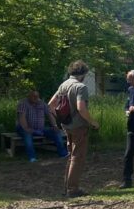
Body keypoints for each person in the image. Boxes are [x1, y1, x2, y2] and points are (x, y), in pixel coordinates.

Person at [49, 60, 98, 197]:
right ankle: (72, 189)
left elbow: (51, 105)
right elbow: (81, 108)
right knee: (78, 157)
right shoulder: (80, 87)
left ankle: (67, 187)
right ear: (82, 73)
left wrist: (61, 120)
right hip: (79, 126)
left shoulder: (63, 85)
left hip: (67, 126)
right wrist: (93, 122)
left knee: (71, 157)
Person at [15, 89, 67, 162]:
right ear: (28, 96)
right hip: (24, 128)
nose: (36, 98)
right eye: (33, 96)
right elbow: (22, 117)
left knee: (56, 131)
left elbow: (49, 115)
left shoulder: (42, 103)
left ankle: (63, 154)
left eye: (37, 96)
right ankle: (32, 157)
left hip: (40, 128)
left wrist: (55, 125)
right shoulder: (23, 103)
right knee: (27, 135)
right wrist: (26, 128)